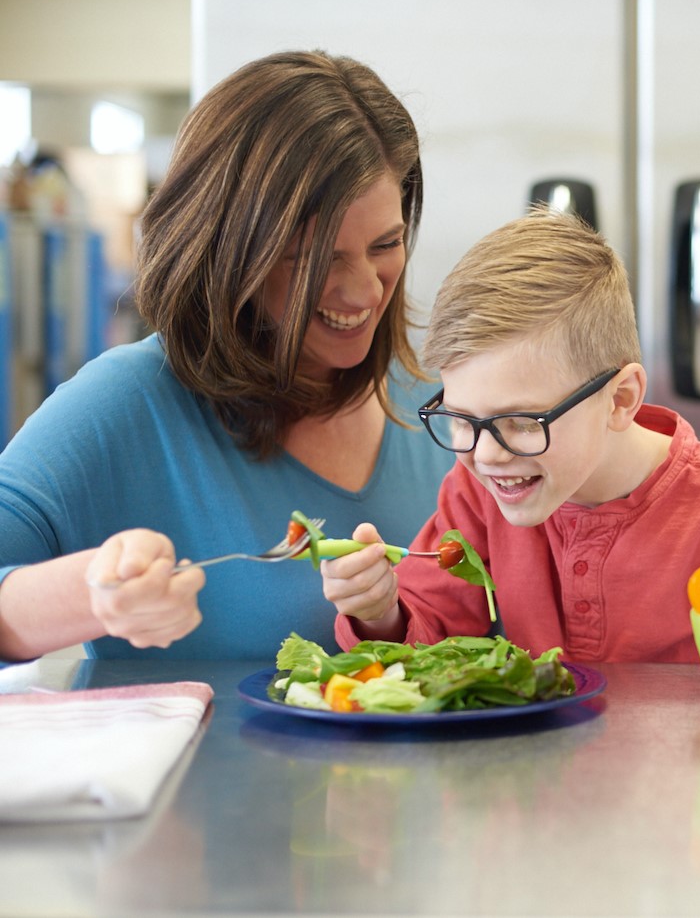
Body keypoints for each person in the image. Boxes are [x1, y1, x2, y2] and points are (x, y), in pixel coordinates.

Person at [0, 50, 453, 663]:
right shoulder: (127, 403)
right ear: (226, 248)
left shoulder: (439, 407)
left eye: (386, 244)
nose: (365, 290)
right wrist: (92, 597)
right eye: (315, 259)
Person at [321, 208, 700, 662]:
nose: (485, 453)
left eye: (520, 421)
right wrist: (380, 612)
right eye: (462, 419)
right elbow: (426, 643)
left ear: (622, 400)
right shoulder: (477, 499)